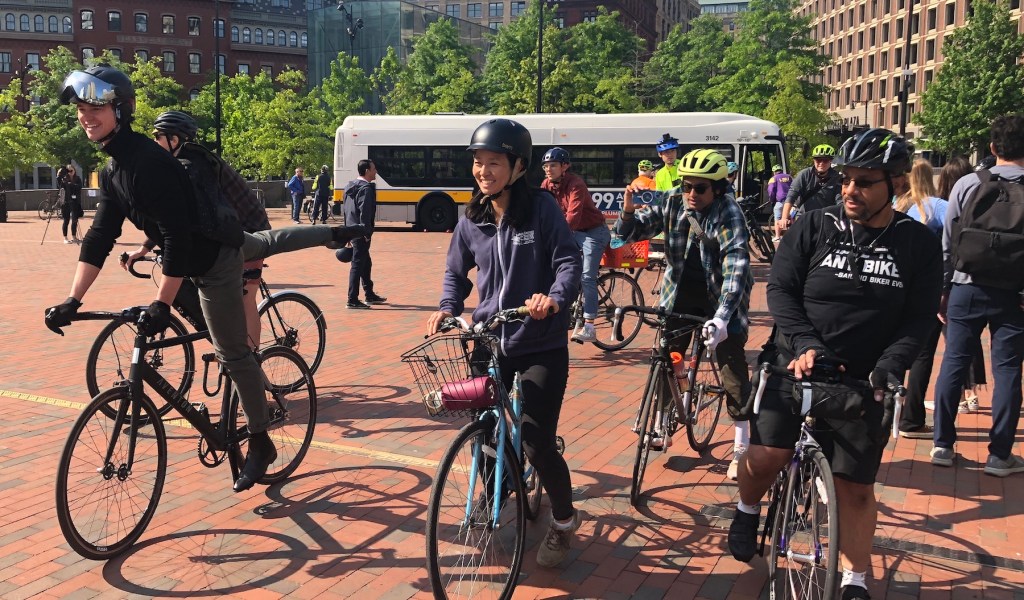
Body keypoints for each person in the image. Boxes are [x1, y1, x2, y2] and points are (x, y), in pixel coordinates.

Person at [45, 65, 365, 494]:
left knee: (233, 352)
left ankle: (260, 440)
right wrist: (72, 299)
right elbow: (100, 236)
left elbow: (177, 237)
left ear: (121, 109)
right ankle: (332, 233)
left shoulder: (148, 163)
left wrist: (162, 303)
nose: (86, 114)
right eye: (82, 107)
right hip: (210, 246)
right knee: (267, 241)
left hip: (212, 259)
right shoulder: (117, 169)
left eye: (96, 106)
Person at [728, 128, 942, 600]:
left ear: (896, 184)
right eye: (846, 179)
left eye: (864, 181)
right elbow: (780, 289)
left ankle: (854, 580)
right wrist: (804, 343)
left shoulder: (918, 245)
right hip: (794, 361)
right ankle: (746, 509)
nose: (850, 189)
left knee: (855, 489)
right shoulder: (814, 225)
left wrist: (891, 365)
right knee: (767, 456)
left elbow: (919, 318)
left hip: (863, 378)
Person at [426, 118, 583, 568]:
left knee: (535, 440)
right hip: (488, 341)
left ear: (517, 166)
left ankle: (565, 520)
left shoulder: (541, 210)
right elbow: (456, 273)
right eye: (478, 162)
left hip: (540, 343)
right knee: (487, 435)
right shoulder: (471, 218)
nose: (482, 171)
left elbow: (568, 261)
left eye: (493, 162)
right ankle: (493, 489)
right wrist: (446, 305)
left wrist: (552, 299)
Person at [617, 148, 754, 481]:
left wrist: (722, 318)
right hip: (679, 293)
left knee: (730, 364)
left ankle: (742, 445)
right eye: (687, 185)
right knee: (666, 353)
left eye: (701, 188)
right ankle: (664, 417)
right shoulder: (674, 200)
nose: (692, 193)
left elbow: (736, 268)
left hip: (720, 297)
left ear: (718, 188)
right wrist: (628, 211)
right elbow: (630, 234)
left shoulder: (729, 213)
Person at [931, 114, 1024, 476]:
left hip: (965, 286)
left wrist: (943, 288)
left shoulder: (968, 183)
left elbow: (947, 241)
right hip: (1014, 294)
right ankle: (1000, 454)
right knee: (1008, 371)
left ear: (992, 147)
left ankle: (942, 444)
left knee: (954, 361)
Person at [135, 109, 273, 349]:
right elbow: (171, 218)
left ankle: (249, 358)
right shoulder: (179, 164)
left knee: (245, 298)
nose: (154, 141)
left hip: (250, 231)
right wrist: (145, 247)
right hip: (225, 234)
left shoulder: (192, 168)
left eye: (158, 136)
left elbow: (184, 218)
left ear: (174, 140)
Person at [892, 159, 948, 439]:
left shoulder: (898, 205)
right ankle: (911, 419)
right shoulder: (936, 207)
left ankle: (889, 411)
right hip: (926, 288)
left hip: (895, 286)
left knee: (894, 348)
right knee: (923, 353)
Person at [540, 147, 610, 343]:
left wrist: (558, 237)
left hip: (594, 232)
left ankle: (589, 326)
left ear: (565, 166)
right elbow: (542, 211)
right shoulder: (546, 184)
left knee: (587, 276)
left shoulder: (575, 184)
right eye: (545, 166)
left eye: (553, 165)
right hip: (575, 232)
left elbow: (573, 215)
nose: (548, 169)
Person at [342, 159, 387, 309]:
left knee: (365, 263)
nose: (376, 172)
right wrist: (366, 232)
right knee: (357, 265)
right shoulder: (366, 189)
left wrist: (347, 232)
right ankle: (352, 299)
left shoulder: (349, 186)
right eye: (374, 169)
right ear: (367, 171)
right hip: (361, 232)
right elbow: (365, 212)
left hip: (352, 230)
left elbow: (347, 211)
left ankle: (369, 294)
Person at [779, 144, 843, 231]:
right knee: (799, 241)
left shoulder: (836, 178)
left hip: (826, 219)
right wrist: (784, 218)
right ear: (813, 160)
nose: (821, 163)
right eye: (818, 160)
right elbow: (791, 196)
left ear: (831, 161)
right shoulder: (804, 174)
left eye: (825, 160)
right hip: (804, 216)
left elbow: (840, 201)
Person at [58, 164, 84, 244]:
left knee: (75, 220)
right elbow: (60, 185)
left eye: (72, 170)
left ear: (74, 170)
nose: (70, 172)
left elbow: (79, 187)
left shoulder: (78, 179)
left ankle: (74, 237)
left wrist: (70, 184)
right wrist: (58, 175)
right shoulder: (64, 179)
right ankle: (65, 238)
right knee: (66, 220)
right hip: (66, 202)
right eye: (68, 171)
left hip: (75, 201)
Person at [766, 164, 792, 242]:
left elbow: (771, 191)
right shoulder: (789, 177)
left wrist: (772, 200)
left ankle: (777, 236)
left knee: (777, 218)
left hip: (780, 201)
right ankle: (793, 235)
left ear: (774, 172)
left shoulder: (773, 178)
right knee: (791, 217)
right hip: (790, 201)